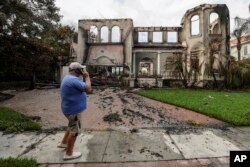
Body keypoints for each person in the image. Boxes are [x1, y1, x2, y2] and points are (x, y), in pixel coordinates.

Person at [58, 62, 92, 160]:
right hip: (74, 111)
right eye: (81, 69)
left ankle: (64, 143)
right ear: (77, 70)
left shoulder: (68, 78)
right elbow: (88, 89)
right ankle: (69, 153)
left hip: (69, 108)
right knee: (75, 131)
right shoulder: (74, 80)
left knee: (71, 125)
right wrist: (87, 77)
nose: (83, 71)